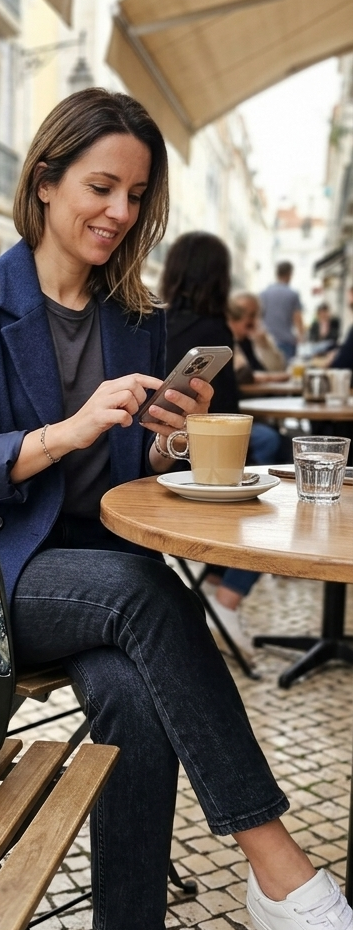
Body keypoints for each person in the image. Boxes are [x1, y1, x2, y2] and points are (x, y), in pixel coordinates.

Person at [0, 87, 353, 930]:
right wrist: (66, 430)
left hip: (93, 581)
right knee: (144, 593)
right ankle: (280, 872)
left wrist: (165, 442)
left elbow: (122, 480)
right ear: (46, 180)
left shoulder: (136, 320)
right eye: (100, 186)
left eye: (136, 194)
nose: (118, 211)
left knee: (132, 688)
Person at [162, 234, 283, 656]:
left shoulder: (154, 323)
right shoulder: (213, 331)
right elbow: (227, 419)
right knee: (278, 495)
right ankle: (227, 600)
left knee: (271, 445)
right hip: (196, 460)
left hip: (158, 453)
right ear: (219, 278)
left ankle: (216, 582)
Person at [228, 292, 287, 380]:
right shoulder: (226, 341)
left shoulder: (258, 338)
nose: (254, 320)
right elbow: (242, 375)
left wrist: (264, 346)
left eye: (257, 315)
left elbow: (279, 368)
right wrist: (272, 377)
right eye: (251, 315)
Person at [260, 261, 304, 362]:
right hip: (286, 341)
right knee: (286, 369)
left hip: (268, 341)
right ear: (289, 274)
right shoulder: (292, 294)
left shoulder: (264, 294)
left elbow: (259, 317)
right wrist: (301, 337)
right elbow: (297, 318)